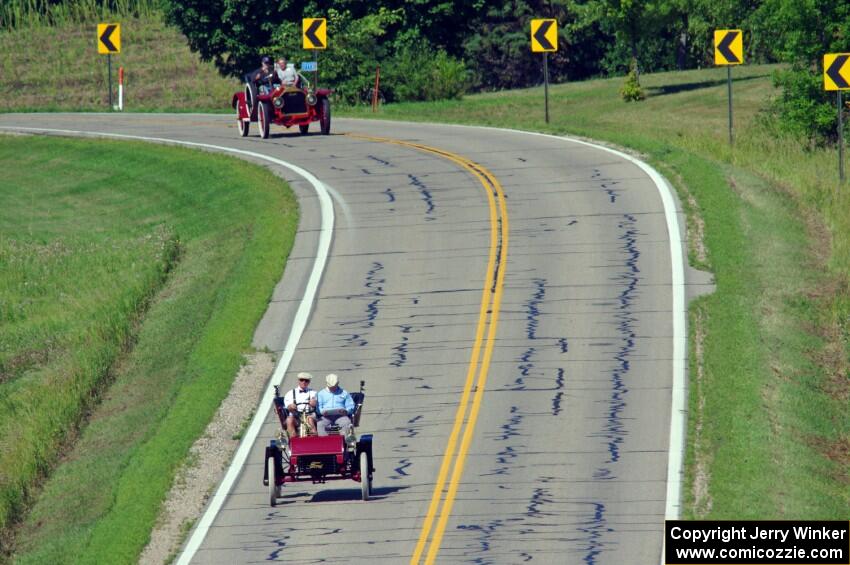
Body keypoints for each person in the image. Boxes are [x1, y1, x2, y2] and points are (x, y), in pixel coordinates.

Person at [283, 372, 317, 436]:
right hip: (297, 416)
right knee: (289, 420)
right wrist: (291, 406)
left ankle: (314, 439)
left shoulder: (313, 393)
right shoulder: (290, 393)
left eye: (306, 381)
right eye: (301, 380)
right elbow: (287, 407)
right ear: (298, 381)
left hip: (310, 415)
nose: (304, 382)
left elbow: (318, 406)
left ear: (309, 382)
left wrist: (314, 403)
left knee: (310, 419)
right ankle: (294, 440)